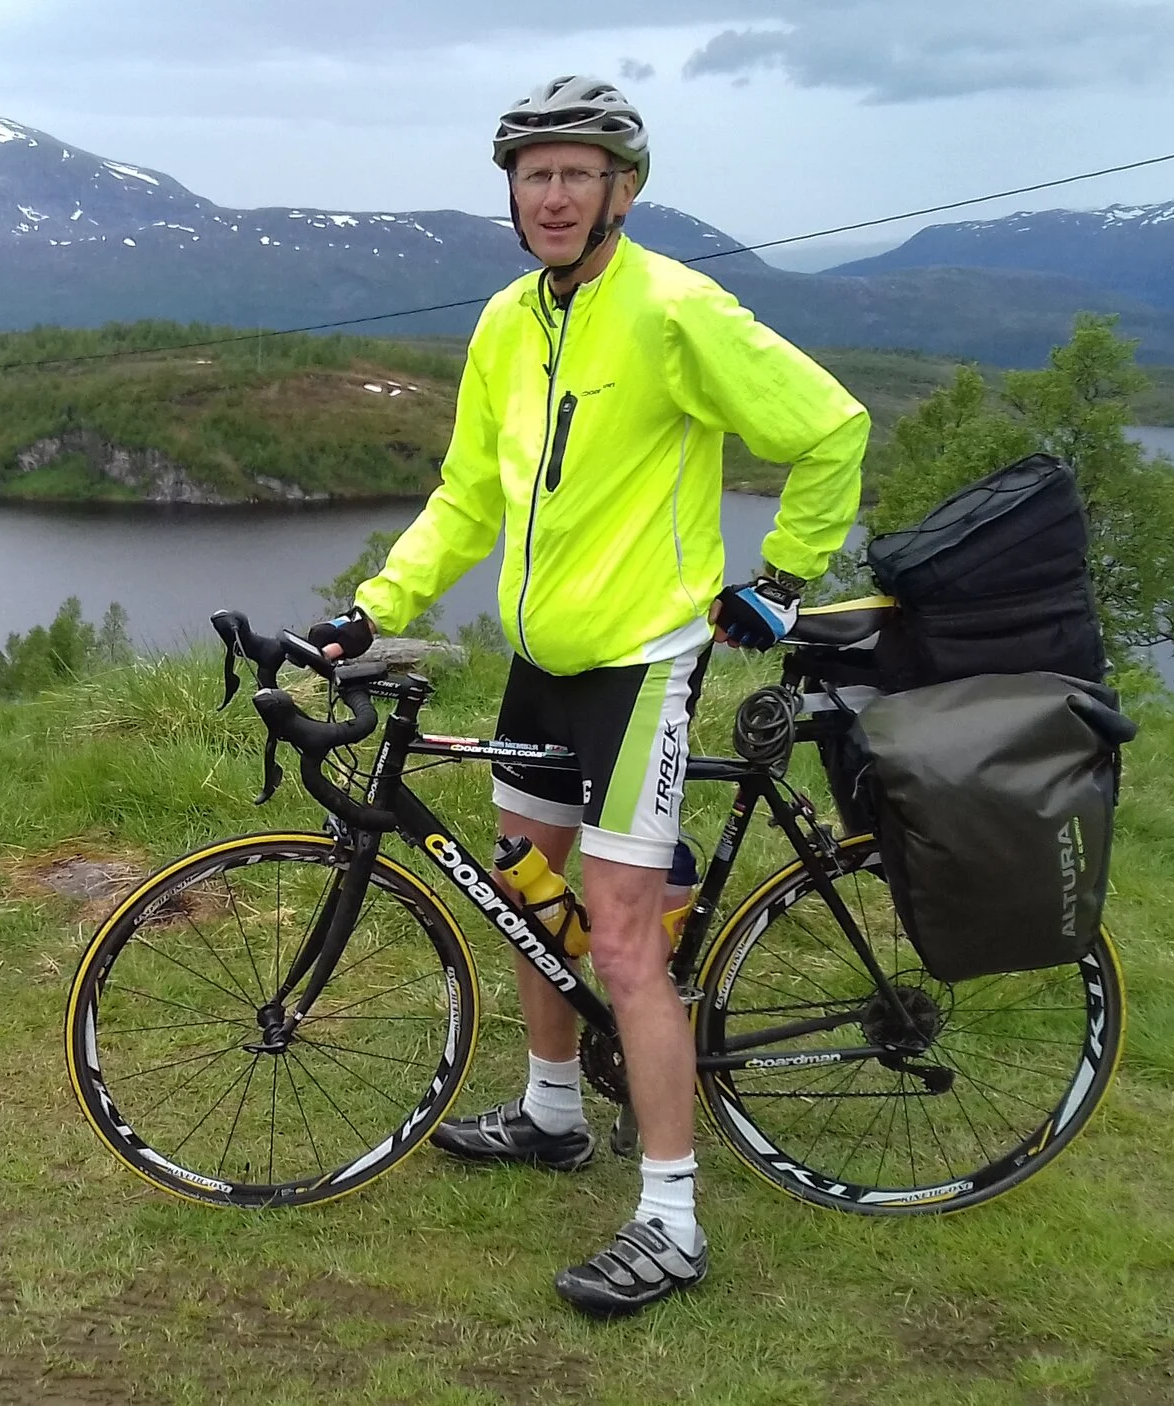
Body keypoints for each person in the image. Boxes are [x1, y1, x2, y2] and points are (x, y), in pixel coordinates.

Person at [307, 74, 866, 1316]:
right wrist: (376, 606)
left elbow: (831, 429)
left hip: (641, 661)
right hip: (541, 664)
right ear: (511, 194)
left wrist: (780, 580)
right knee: (526, 886)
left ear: (622, 189)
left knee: (616, 939)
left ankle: (670, 1215)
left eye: (575, 174)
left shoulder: (674, 308)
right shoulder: (506, 320)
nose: (551, 196)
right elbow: (468, 494)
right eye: (533, 175)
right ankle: (553, 1111)